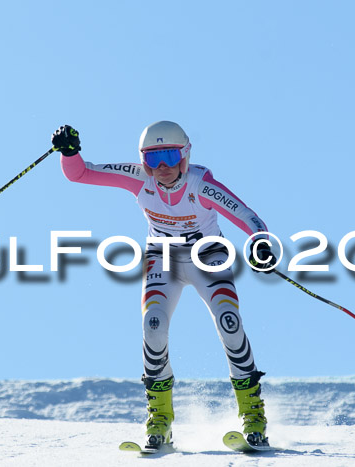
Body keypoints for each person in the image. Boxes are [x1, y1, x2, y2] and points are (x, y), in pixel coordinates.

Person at [52, 121, 276, 449]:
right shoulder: (138, 178)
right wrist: (70, 152)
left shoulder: (200, 183)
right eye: (153, 159)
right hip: (162, 257)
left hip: (208, 255)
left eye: (170, 156)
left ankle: (253, 414)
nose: (162, 168)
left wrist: (260, 242)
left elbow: (247, 216)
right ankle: (160, 418)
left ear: (185, 156)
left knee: (229, 321)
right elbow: (81, 173)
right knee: (152, 325)